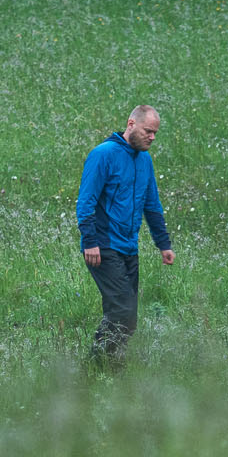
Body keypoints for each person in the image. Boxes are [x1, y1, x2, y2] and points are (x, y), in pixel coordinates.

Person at [76, 105, 174, 364]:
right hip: (103, 245)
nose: (152, 137)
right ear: (131, 124)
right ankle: (94, 365)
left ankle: (111, 365)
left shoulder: (145, 160)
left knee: (127, 316)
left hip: (129, 246)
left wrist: (163, 244)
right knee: (123, 310)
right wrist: (90, 241)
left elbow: (151, 204)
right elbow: (86, 201)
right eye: (147, 131)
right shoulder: (103, 154)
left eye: (155, 133)